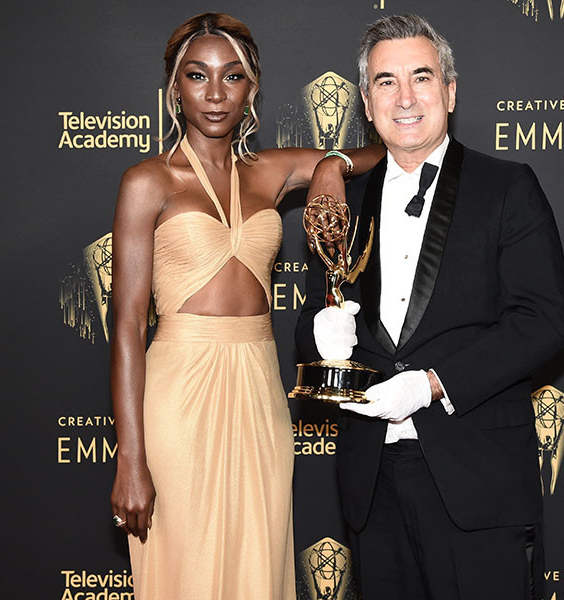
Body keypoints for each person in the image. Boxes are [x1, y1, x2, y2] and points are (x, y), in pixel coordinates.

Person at [108, 13, 383, 600]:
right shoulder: (147, 182)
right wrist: (131, 457)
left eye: (232, 76)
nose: (215, 93)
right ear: (174, 87)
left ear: (252, 86)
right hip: (178, 395)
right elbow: (127, 325)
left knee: (259, 561)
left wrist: (330, 166)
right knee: (185, 567)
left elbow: (381, 152)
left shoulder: (271, 171)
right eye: (197, 75)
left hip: (258, 390)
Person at [295, 14, 564, 599]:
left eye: (421, 77)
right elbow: (315, 321)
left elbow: (541, 322)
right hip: (372, 483)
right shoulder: (346, 202)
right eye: (386, 81)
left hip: (476, 479)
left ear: (450, 91)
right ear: (366, 102)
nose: (405, 97)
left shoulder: (507, 186)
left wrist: (432, 384)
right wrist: (321, 331)